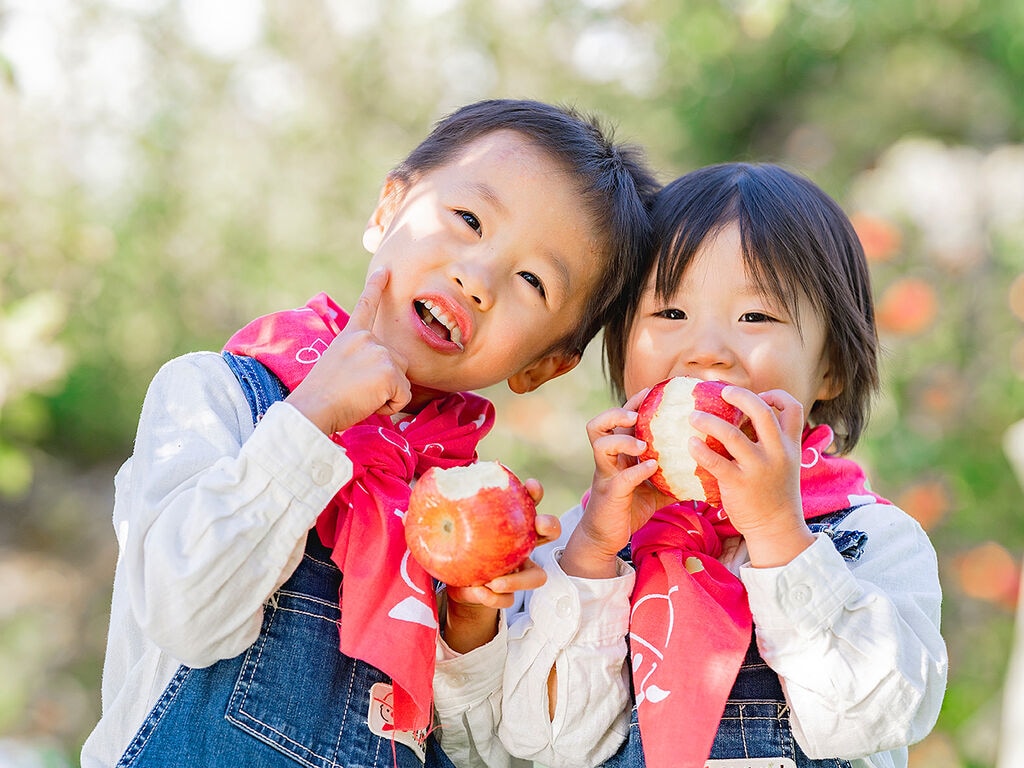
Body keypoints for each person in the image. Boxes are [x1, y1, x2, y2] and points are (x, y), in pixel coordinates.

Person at [80, 98, 659, 768]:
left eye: (533, 280)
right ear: (387, 210)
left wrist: (468, 623)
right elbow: (186, 614)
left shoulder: (461, 510)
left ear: (545, 367)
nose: (478, 278)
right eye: (468, 219)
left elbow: (475, 752)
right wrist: (312, 419)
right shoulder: (218, 398)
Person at [485, 162, 948, 768]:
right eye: (670, 315)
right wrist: (593, 557)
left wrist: (780, 534)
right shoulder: (586, 544)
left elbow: (872, 716)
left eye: (756, 317)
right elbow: (543, 740)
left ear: (830, 368)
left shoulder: (874, 541)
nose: (707, 351)